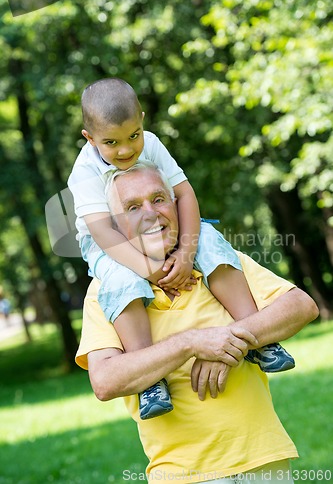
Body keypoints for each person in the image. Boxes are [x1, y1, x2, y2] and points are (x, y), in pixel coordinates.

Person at [75, 163, 319, 483]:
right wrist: (191, 343)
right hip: (183, 475)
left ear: (178, 207)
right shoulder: (106, 292)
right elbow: (106, 381)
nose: (151, 213)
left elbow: (301, 306)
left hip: (265, 461)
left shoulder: (216, 261)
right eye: (133, 207)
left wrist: (226, 341)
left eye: (159, 199)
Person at [68, 77, 294, 420]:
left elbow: (185, 195)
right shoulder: (84, 171)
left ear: (142, 120)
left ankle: (256, 334)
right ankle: (151, 381)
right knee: (121, 283)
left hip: (159, 228)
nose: (126, 150)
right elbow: (102, 231)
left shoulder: (153, 144)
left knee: (210, 241)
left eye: (134, 136)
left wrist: (187, 252)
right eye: (111, 143)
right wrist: (150, 271)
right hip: (107, 243)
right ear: (89, 138)